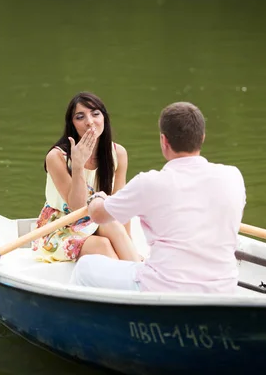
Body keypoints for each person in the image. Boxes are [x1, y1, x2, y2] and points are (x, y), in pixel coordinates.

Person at [70, 102, 246, 293]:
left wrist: (97, 197)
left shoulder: (149, 183)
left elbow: (97, 215)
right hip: (223, 287)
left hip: (164, 286)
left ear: (164, 141)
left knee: (85, 267)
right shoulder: (233, 176)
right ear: (202, 138)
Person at [31, 92, 140, 263]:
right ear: (72, 124)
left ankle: (136, 274)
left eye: (95, 114)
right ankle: (133, 278)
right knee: (103, 245)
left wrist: (128, 243)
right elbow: (77, 207)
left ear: (104, 117)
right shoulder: (57, 157)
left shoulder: (118, 153)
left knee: (109, 223)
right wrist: (78, 165)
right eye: (80, 117)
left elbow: (120, 206)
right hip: (62, 226)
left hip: (98, 222)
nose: (89, 122)